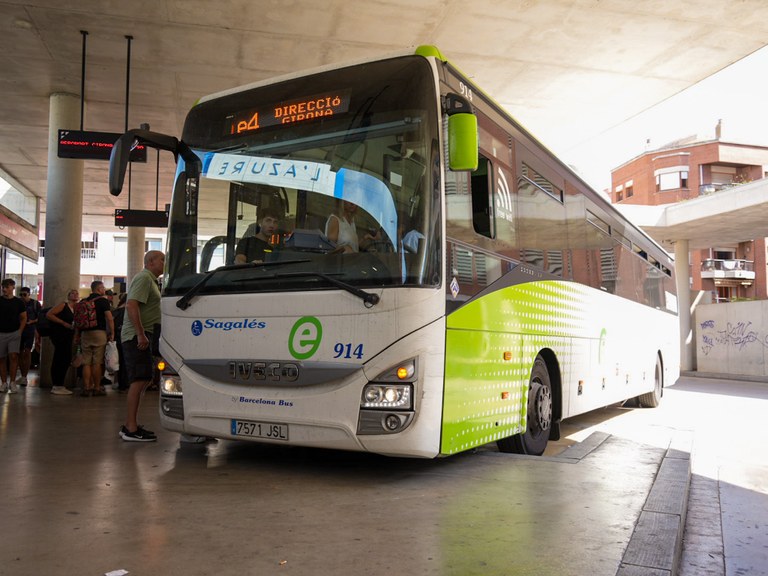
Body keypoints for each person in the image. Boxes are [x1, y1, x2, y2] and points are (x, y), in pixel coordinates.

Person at [120, 250, 164, 442]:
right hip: (136, 337)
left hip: (145, 335)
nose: (165, 262)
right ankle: (130, 427)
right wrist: (140, 334)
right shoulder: (144, 278)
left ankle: (133, 425)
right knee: (139, 380)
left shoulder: (151, 280)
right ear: (151, 261)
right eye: (162, 259)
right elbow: (131, 305)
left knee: (144, 379)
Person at [74, 281, 114, 397]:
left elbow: (77, 321)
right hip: (99, 333)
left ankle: (86, 388)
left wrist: (77, 335)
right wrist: (112, 332)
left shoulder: (83, 301)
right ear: (99, 289)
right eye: (103, 288)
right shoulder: (103, 301)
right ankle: (96, 388)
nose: (104, 290)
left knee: (86, 362)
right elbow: (109, 318)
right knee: (97, 361)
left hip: (85, 333)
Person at [46, 289, 80, 395]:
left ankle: (59, 384)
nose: (75, 295)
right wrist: (63, 323)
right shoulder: (63, 305)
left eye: (76, 293)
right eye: (72, 293)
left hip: (69, 336)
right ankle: (57, 385)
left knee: (65, 359)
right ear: (68, 296)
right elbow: (49, 314)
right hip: (60, 335)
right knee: (60, 358)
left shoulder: (77, 308)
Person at [0, 278, 26, 394]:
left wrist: (20, 331)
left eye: (7, 287)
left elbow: (24, 317)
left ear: (12, 288)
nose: (4, 289)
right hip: (1, 333)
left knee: (14, 356)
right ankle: (4, 382)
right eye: (3, 287)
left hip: (14, 333)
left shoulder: (19, 302)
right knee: (1, 358)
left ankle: (12, 382)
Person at [17, 287, 41, 387]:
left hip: (30, 330)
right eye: (21, 294)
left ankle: (24, 376)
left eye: (24, 295)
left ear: (29, 294)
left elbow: (40, 317)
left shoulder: (35, 304)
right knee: (19, 353)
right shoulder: (17, 303)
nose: (22, 297)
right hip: (19, 330)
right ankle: (22, 375)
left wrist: (33, 322)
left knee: (27, 352)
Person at [111, 292, 128, 391]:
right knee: (126, 361)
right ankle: (124, 383)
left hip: (116, 338)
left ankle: (119, 382)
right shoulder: (128, 311)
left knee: (119, 361)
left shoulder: (115, 311)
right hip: (126, 338)